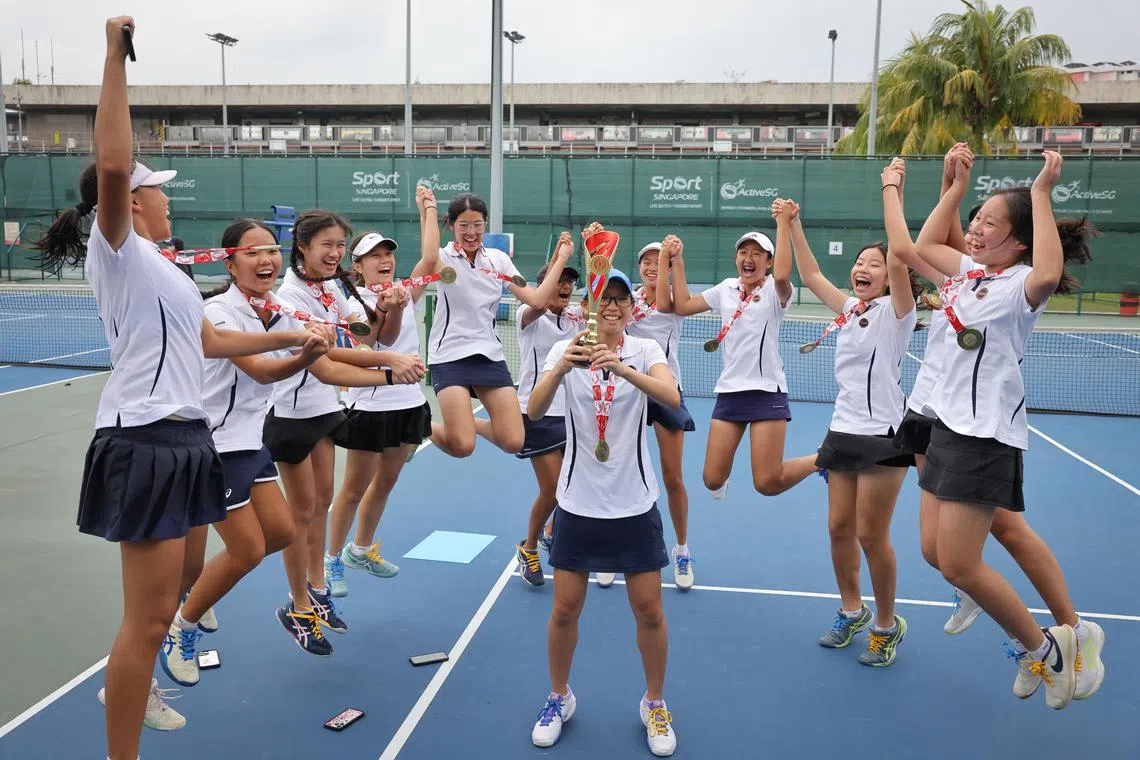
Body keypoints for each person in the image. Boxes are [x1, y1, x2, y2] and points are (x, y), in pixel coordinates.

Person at [31, 18, 323, 760]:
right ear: (129, 202)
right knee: (149, 618)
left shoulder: (166, 270)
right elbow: (112, 156)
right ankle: (122, 732)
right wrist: (109, 56)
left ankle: (139, 681)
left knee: (184, 583)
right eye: (151, 188)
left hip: (187, 439)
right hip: (148, 438)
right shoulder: (120, 251)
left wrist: (289, 336)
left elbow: (212, 343)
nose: (162, 198)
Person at [890, 150, 1105, 703]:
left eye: (990, 223)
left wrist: (1040, 192)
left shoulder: (1018, 288)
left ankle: (1045, 651)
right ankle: (1052, 640)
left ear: (1019, 243)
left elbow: (1050, 272)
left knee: (961, 561)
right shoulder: (969, 277)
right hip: (946, 427)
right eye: (977, 220)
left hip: (985, 436)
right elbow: (923, 245)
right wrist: (956, 188)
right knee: (937, 556)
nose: (977, 229)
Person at [527, 268, 680, 756]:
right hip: (577, 502)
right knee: (566, 608)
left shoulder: (646, 351)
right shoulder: (563, 349)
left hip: (634, 501)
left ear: (630, 309)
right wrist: (560, 368)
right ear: (588, 310)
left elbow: (671, 396)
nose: (611, 307)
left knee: (650, 610)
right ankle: (559, 697)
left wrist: (619, 368)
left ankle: (654, 703)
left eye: (619, 300)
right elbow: (532, 411)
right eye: (601, 300)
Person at [268, 210, 424, 656]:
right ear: (302, 247)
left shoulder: (336, 286)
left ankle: (316, 592)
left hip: (323, 410)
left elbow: (366, 339)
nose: (334, 253)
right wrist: (390, 371)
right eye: (327, 245)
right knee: (301, 516)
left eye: (340, 244)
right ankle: (297, 607)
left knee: (320, 504)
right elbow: (330, 362)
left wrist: (387, 310)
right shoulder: (291, 295)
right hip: (292, 413)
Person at [778, 195, 918, 666]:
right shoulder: (849, 311)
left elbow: (901, 260)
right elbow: (813, 275)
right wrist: (794, 224)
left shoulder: (898, 313)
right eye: (859, 263)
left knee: (870, 536)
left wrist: (891, 192)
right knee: (839, 527)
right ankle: (852, 610)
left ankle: (885, 625)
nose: (862, 269)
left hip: (883, 437)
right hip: (842, 431)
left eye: (873, 264)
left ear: (889, 274)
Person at [412, 186, 571, 459]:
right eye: (464, 225)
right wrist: (427, 210)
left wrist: (561, 259)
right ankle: (419, 427)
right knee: (462, 447)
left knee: (513, 441)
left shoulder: (499, 261)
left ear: (485, 223)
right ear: (451, 225)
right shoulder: (442, 259)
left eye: (477, 224)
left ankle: (464, 423)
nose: (471, 232)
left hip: (489, 356)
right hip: (450, 357)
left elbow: (537, 301)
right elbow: (428, 256)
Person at [663, 230, 819, 501]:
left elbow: (782, 276)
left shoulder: (776, 290)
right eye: (744, 253)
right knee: (712, 480)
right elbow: (683, 306)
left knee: (767, 483)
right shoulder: (726, 289)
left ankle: (822, 458)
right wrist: (677, 261)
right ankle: (721, 479)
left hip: (767, 391)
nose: (749, 258)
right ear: (736, 258)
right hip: (730, 391)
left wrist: (784, 222)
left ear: (769, 262)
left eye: (757, 254)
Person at [324, 231, 434, 597]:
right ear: (357, 266)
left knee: (386, 483)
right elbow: (377, 342)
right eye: (374, 255)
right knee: (353, 489)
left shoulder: (403, 289)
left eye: (388, 252)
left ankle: (361, 550)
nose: (384, 259)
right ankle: (332, 559)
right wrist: (393, 308)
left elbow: (430, 259)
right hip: (371, 407)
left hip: (409, 404)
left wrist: (428, 210)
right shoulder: (351, 300)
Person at [499, 243, 581, 587]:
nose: (564, 287)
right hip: (538, 414)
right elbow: (539, 302)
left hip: (576, 415)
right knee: (553, 489)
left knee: (572, 485)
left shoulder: (578, 318)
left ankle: (550, 530)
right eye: (558, 281)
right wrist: (559, 258)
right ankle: (529, 548)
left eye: (569, 282)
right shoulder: (528, 317)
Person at [627, 237, 697, 590]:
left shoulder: (671, 301)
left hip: (667, 390)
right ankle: (615, 548)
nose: (653, 267)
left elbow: (673, 303)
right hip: (630, 392)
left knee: (673, 477)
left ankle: (682, 549)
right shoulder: (627, 299)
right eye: (647, 261)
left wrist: (676, 259)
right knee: (621, 471)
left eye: (660, 261)